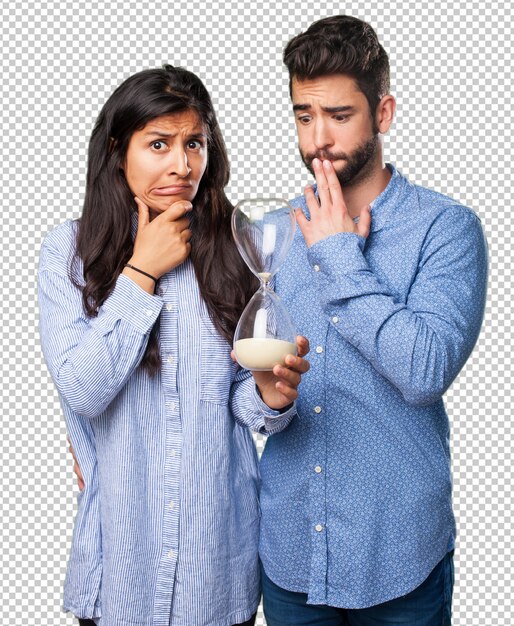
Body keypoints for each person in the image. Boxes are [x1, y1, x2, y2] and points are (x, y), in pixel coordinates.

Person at [38, 65, 309, 626]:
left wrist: (270, 395)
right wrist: (141, 273)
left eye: (194, 144)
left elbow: (243, 405)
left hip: (217, 571)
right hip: (120, 575)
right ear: (118, 150)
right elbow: (84, 389)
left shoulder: (239, 245)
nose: (181, 166)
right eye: (158, 144)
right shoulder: (70, 251)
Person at [259, 16, 488, 626]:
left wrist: (338, 258)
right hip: (290, 551)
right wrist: (269, 399)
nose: (318, 140)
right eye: (303, 116)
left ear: (382, 113)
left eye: (338, 115)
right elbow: (244, 388)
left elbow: (424, 369)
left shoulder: (447, 229)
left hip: (399, 557)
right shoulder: (274, 232)